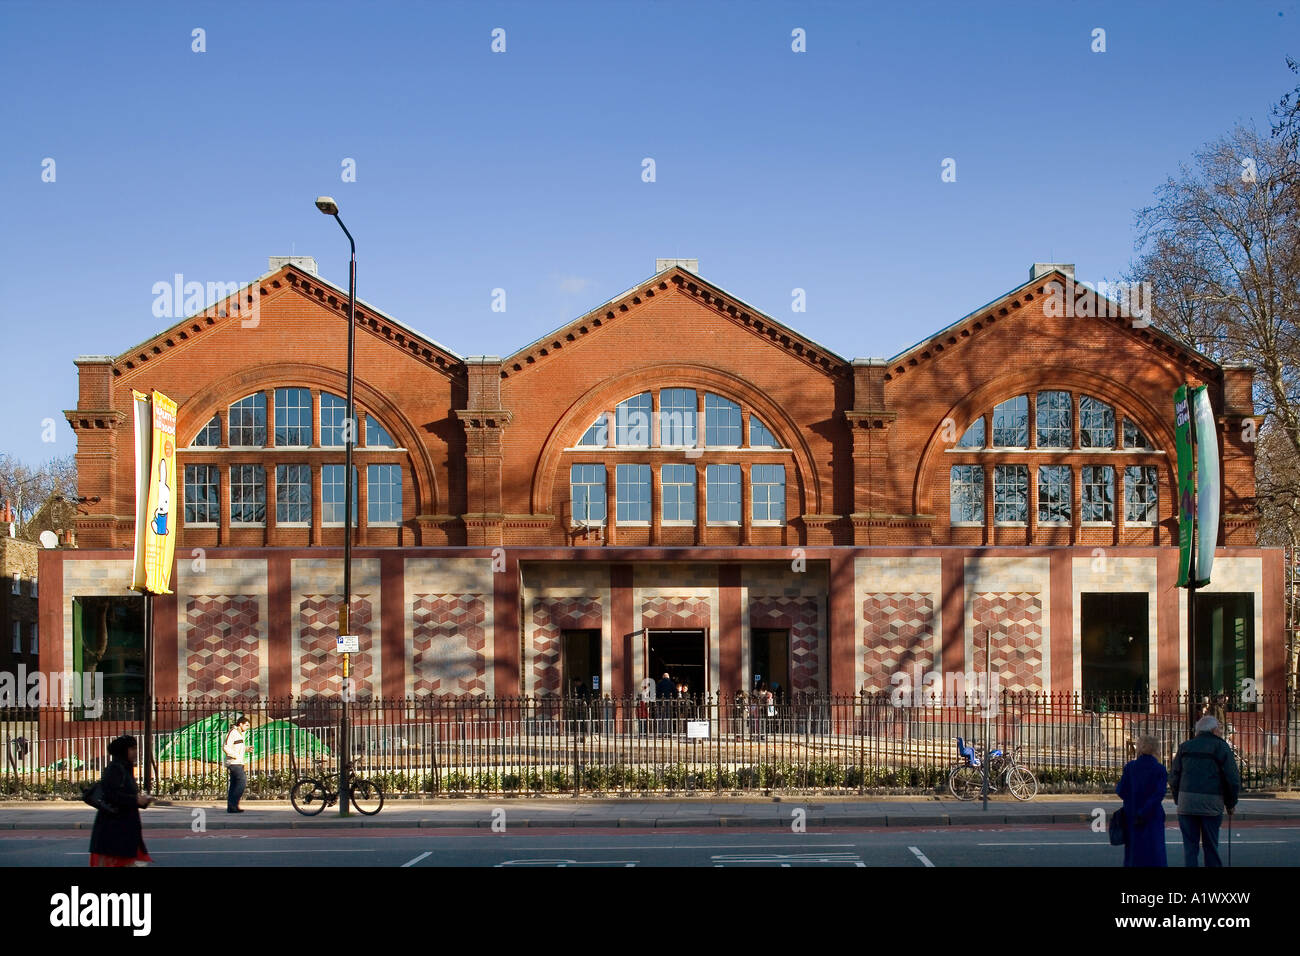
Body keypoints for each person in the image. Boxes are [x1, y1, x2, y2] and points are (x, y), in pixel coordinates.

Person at [1169, 715, 1240, 867]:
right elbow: (1232, 778)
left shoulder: (1185, 746)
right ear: (1214, 730)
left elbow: (1174, 776)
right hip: (1211, 801)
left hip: (1186, 802)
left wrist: (1178, 798)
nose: (1221, 732)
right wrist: (1230, 803)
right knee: (1210, 846)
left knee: (1190, 848)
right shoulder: (1221, 747)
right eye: (1220, 729)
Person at [88, 735, 153, 867]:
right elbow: (111, 795)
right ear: (123, 751)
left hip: (123, 830)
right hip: (114, 831)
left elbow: (123, 795)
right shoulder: (115, 769)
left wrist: (142, 801)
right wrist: (135, 799)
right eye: (132, 748)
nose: (136, 752)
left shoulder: (125, 768)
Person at [1115, 734, 1168, 866]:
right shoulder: (1159, 769)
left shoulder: (1130, 767)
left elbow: (1120, 790)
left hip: (1131, 813)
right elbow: (1159, 793)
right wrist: (1145, 810)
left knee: (1134, 852)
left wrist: (1131, 801)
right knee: (1155, 851)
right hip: (1152, 815)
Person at [224, 714, 251, 813]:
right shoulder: (232, 733)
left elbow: (237, 747)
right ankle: (233, 803)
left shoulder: (240, 734)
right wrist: (234, 755)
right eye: (246, 725)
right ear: (240, 724)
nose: (248, 727)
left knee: (234, 784)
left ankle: (232, 806)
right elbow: (226, 747)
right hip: (234, 762)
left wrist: (246, 749)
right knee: (242, 782)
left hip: (239, 762)